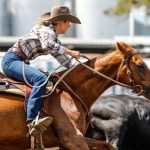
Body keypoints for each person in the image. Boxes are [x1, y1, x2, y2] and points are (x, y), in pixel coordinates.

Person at [1, 5, 81, 136]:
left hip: (18, 61)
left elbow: (65, 62)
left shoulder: (54, 38)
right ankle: (32, 119)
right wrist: (70, 51)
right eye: (69, 23)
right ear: (62, 22)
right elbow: (47, 44)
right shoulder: (46, 31)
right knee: (41, 79)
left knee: (46, 80)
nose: (70, 26)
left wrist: (83, 69)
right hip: (12, 61)